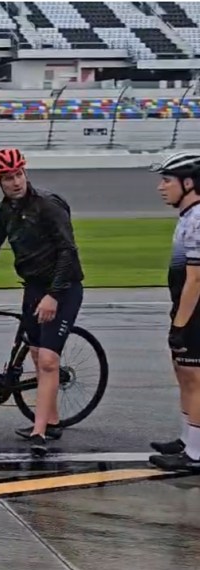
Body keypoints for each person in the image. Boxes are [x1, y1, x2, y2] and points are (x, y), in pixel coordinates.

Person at [0, 148, 84, 458]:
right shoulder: (5, 211)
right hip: (33, 287)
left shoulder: (48, 205)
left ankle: (39, 432)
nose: (16, 182)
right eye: (8, 178)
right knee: (36, 355)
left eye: (19, 175)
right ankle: (52, 420)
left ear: (25, 173)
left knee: (48, 360)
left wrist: (53, 295)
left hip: (63, 288)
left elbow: (68, 251)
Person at [148, 151, 200, 473]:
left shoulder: (197, 219)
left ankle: (196, 452)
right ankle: (187, 439)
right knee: (184, 376)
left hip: (195, 314)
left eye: (167, 180)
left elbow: (196, 278)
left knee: (194, 379)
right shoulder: (188, 216)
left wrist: (180, 324)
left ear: (189, 183)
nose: (161, 187)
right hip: (185, 310)